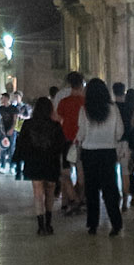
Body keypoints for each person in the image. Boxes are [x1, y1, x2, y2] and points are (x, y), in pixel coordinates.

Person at [76, 78, 124, 236]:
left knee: (92, 190)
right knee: (110, 188)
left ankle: (93, 224)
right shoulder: (113, 109)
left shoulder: (84, 110)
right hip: (108, 152)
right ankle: (116, 223)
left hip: (89, 152)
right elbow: (120, 132)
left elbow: (81, 133)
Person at [15, 94, 66, 233]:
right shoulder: (55, 126)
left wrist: (20, 161)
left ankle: (40, 225)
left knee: (38, 193)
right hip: (51, 162)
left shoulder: (28, 124)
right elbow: (61, 145)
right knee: (50, 192)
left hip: (34, 162)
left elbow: (21, 144)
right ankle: (49, 223)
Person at [53, 71, 86, 212]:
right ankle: (79, 199)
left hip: (65, 139)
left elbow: (57, 119)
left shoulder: (63, 100)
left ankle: (68, 200)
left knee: (65, 173)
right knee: (81, 175)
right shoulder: (86, 101)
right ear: (82, 84)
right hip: (82, 140)